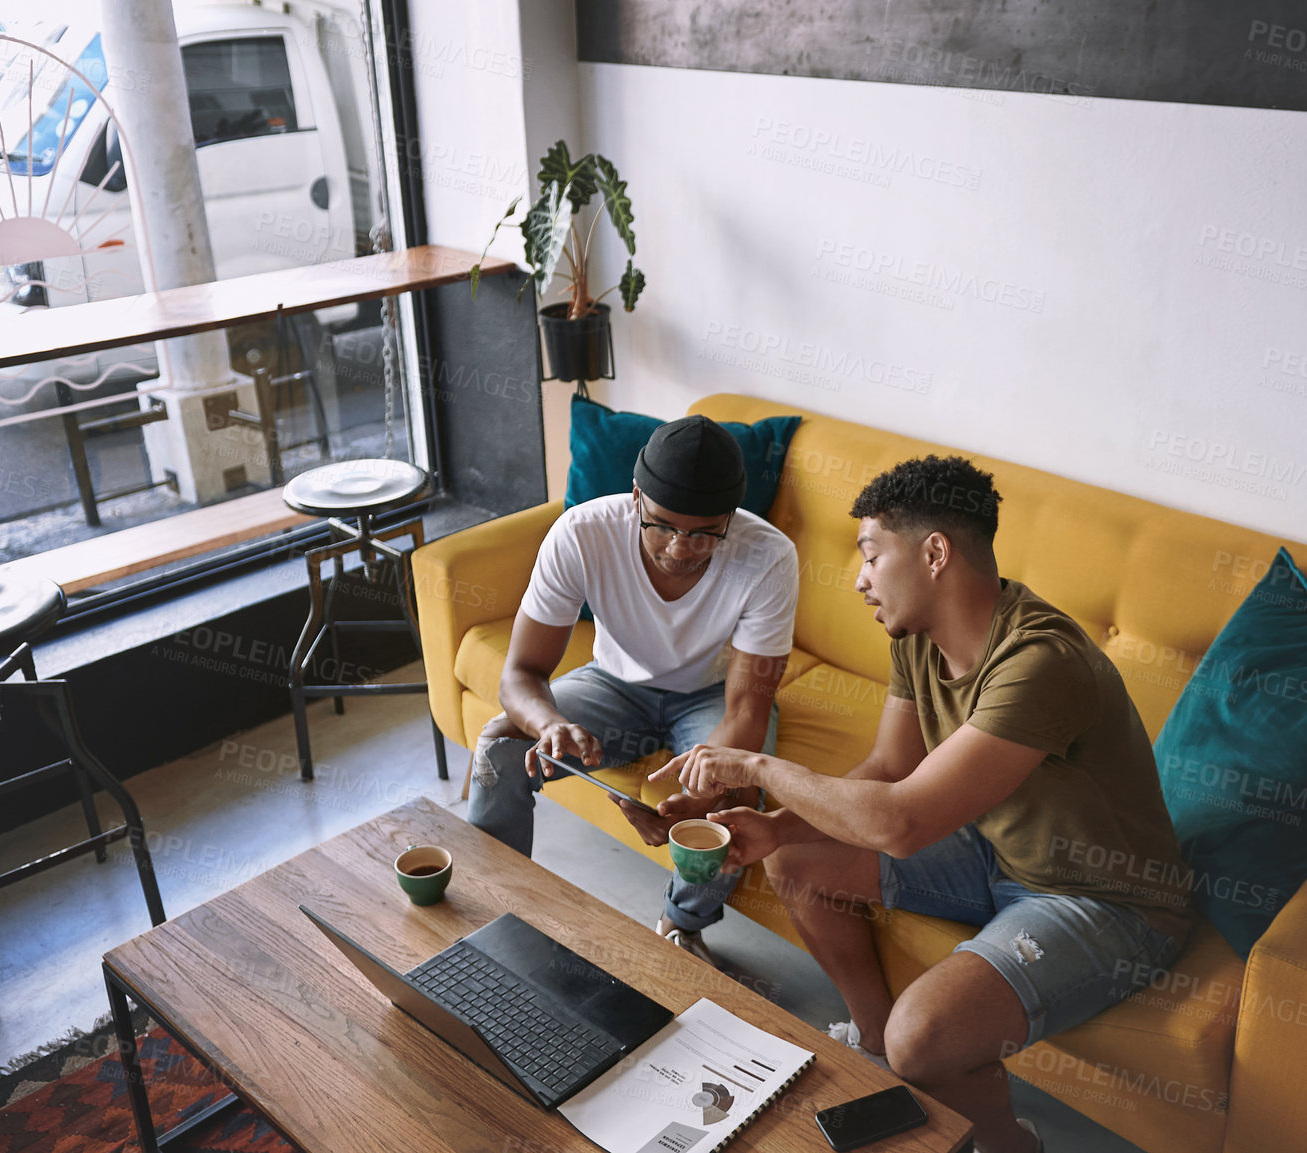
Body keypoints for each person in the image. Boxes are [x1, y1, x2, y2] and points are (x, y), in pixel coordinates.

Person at [651, 454, 1194, 1153]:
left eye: (872, 555)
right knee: (796, 857)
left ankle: (1007, 1143)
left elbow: (901, 823)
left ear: (934, 552)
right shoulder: (918, 636)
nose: (858, 577)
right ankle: (874, 1050)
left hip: (1104, 897)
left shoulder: (1042, 662)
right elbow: (886, 768)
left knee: (925, 1036)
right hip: (994, 845)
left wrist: (756, 764)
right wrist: (773, 825)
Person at [466, 414, 796, 965]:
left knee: (737, 792)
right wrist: (549, 726)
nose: (680, 548)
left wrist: (697, 796)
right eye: (662, 525)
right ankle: (492, 907)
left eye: (704, 532)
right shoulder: (584, 532)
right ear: (636, 497)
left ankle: (682, 928)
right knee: (502, 746)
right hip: (613, 683)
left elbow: (746, 708)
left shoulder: (769, 556)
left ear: (731, 519)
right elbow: (521, 672)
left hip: (713, 695)